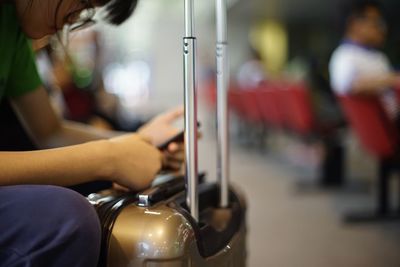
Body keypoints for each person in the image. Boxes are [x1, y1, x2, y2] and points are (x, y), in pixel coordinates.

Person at [0, 0, 185, 266]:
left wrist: (139, 142)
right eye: (82, 1)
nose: (76, 18)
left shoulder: (14, 30)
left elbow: (51, 132)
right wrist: (107, 158)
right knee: (66, 219)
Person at [329, 0, 400, 104]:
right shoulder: (344, 55)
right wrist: (393, 79)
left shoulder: (376, 55)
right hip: (381, 119)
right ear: (355, 24)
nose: (382, 29)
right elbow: (347, 85)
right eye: (376, 22)